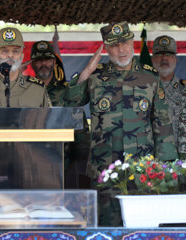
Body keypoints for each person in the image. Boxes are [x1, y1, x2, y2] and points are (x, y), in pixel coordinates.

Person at [64, 22, 178, 226]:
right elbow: (71, 102)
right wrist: (85, 72)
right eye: (114, 45)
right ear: (106, 48)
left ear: (132, 42)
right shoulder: (95, 77)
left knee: (142, 226)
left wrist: (165, 169)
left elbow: (162, 124)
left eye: (125, 42)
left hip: (142, 168)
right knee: (107, 226)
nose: (121, 49)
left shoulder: (150, 77)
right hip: (104, 168)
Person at [30, 40, 91, 188]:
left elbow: (80, 133)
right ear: (32, 63)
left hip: (63, 167)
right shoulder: (24, 92)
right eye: (39, 60)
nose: (43, 64)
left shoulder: (66, 91)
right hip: (30, 166)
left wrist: (83, 166)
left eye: (47, 59)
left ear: (53, 61)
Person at [151, 35, 185, 153]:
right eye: (160, 54)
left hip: (181, 159)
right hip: (150, 161)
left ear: (175, 59)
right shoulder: (142, 90)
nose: (164, 57)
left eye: (169, 54)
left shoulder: (184, 90)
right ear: (152, 59)